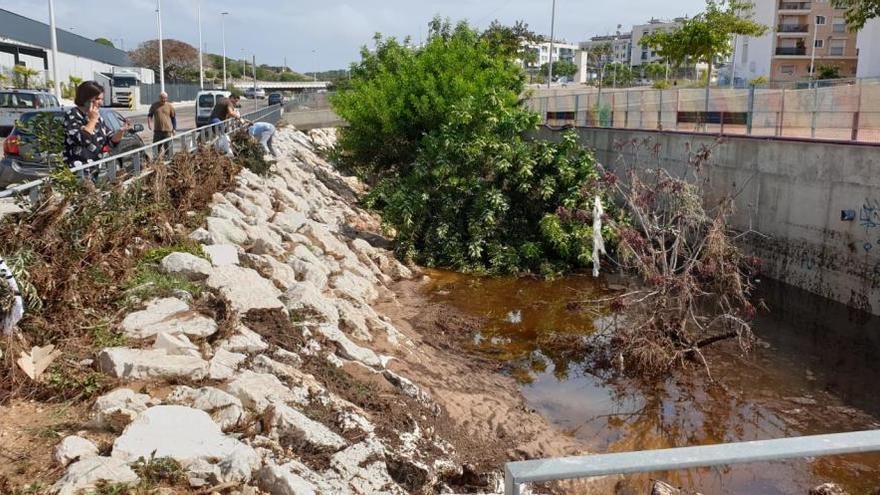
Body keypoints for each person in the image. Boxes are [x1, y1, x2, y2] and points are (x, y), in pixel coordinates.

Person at [63, 81, 128, 168]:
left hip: (95, 170)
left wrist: (121, 131)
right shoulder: (72, 115)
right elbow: (83, 140)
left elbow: (110, 141)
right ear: (85, 99)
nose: (101, 103)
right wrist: (92, 120)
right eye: (97, 99)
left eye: (102, 99)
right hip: (79, 172)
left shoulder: (97, 116)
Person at [147, 91, 176, 157]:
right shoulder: (154, 105)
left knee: (168, 148)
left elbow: (173, 118)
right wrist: (149, 123)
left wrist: (174, 128)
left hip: (167, 131)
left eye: (165, 98)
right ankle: (156, 162)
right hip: (157, 131)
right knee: (155, 147)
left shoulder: (169, 106)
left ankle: (169, 160)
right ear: (159, 98)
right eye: (162, 98)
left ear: (167, 98)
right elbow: (150, 115)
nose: (163, 100)